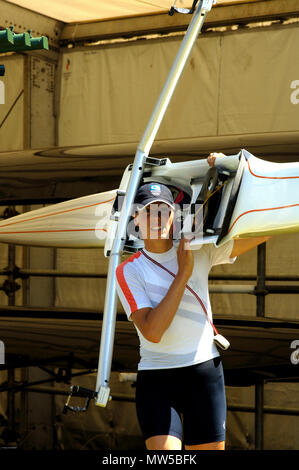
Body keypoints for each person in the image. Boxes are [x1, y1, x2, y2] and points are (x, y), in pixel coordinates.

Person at [116, 153, 270, 451]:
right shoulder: (129, 270)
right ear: (136, 218)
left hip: (204, 373)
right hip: (158, 378)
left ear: (174, 215)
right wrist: (183, 273)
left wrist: (232, 167)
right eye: (149, 211)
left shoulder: (198, 249)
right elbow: (153, 332)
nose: (158, 218)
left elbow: (260, 231)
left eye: (164, 210)